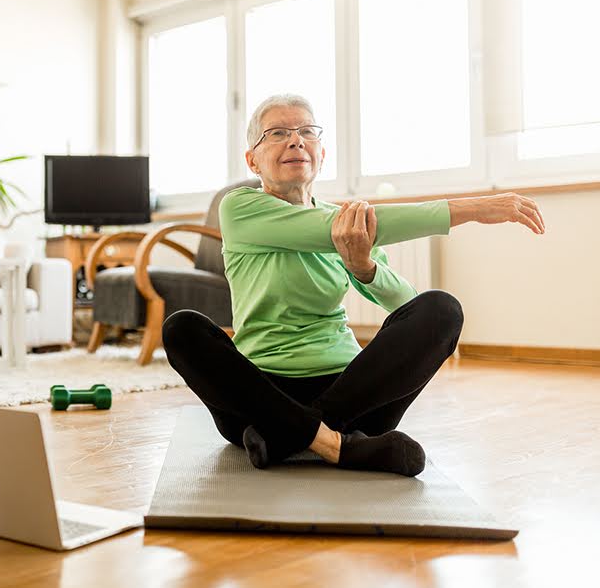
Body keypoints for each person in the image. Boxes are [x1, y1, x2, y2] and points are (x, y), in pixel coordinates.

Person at [161, 94, 546, 477]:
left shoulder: (341, 220)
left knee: (442, 310)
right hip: (258, 396)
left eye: (307, 131)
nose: (296, 140)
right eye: (277, 133)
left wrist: (362, 265)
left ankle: (291, 437)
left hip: (352, 393)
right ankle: (336, 444)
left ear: (321, 154)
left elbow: (406, 304)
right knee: (182, 328)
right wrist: (476, 209)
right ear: (253, 160)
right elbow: (363, 226)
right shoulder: (239, 207)